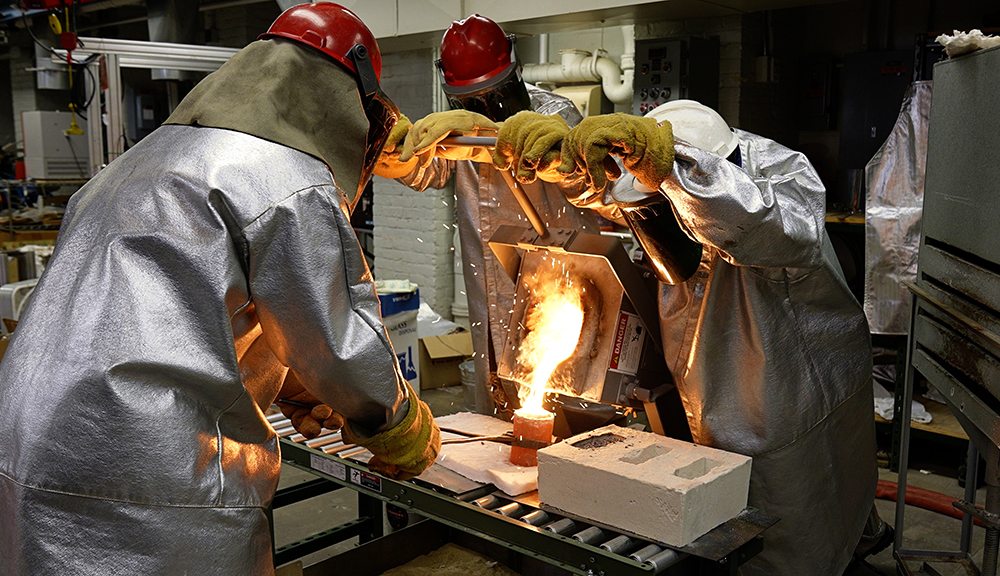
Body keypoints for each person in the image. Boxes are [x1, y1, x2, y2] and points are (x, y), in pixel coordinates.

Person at [0, 4, 439, 575]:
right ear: (348, 100)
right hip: (144, 457)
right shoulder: (289, 179)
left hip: (25, 438)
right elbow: (336, 337)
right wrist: (401, 425)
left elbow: (174, 308)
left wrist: (287, 382)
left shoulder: (136, 163)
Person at [493, 100, 882, 575]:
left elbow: (770, 225)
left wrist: (671, 175)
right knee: (735, 506)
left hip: (792, 391)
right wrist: (568, 166)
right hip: (716, 384)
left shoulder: (776, 183)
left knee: (792, 523)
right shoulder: (668, 168)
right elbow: (618, 194)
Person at [375, 14, 601, 416]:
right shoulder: (459, 128)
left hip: (559, 281)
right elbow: (430, 170)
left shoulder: (556, 115)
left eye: (494, 98)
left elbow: (581, 178)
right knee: (497, 402)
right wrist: (397, 154)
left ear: (515, 75)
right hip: (489, 289)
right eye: (470, 103)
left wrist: (515, 142)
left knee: (565, 391)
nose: (484, 109)